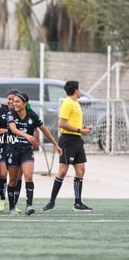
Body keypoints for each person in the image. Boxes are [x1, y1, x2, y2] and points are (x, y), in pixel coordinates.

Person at [6, 92, 62, 216]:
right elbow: (13, 129)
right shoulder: (11, 113)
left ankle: (29, 205)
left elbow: (44, 130)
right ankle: (12, 208)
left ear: (25, 103)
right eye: (13, 101)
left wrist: (56, 144)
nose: (14, 103)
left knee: (28, 176)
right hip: (13, 151)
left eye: (17, 101)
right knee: (13, 181)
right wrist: (27, 135)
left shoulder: (32, 115)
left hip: (26, 151)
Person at [42, 81, 93, 212]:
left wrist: (83, 129)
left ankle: (78, 203)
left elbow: (72, 123)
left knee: (81, 170)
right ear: (76, 90)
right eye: (79, 88)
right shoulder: (67, 103)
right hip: (67, 141)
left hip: (77, 140)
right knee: (62, 171)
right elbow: (62, 123)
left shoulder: (76, 103)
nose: (80, 90)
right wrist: (79, 130)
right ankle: (51, 202)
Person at [0, 89, 22, 212]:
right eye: (9, 99)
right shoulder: (1, 109)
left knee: (16, 176)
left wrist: (5, 130)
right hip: (3, 144)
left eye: (14, 99)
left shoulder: (20, 111)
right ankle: (2, 200)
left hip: (16, 145)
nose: (11, 101)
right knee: (2, 174)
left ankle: (14, 203)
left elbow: (23, 128)